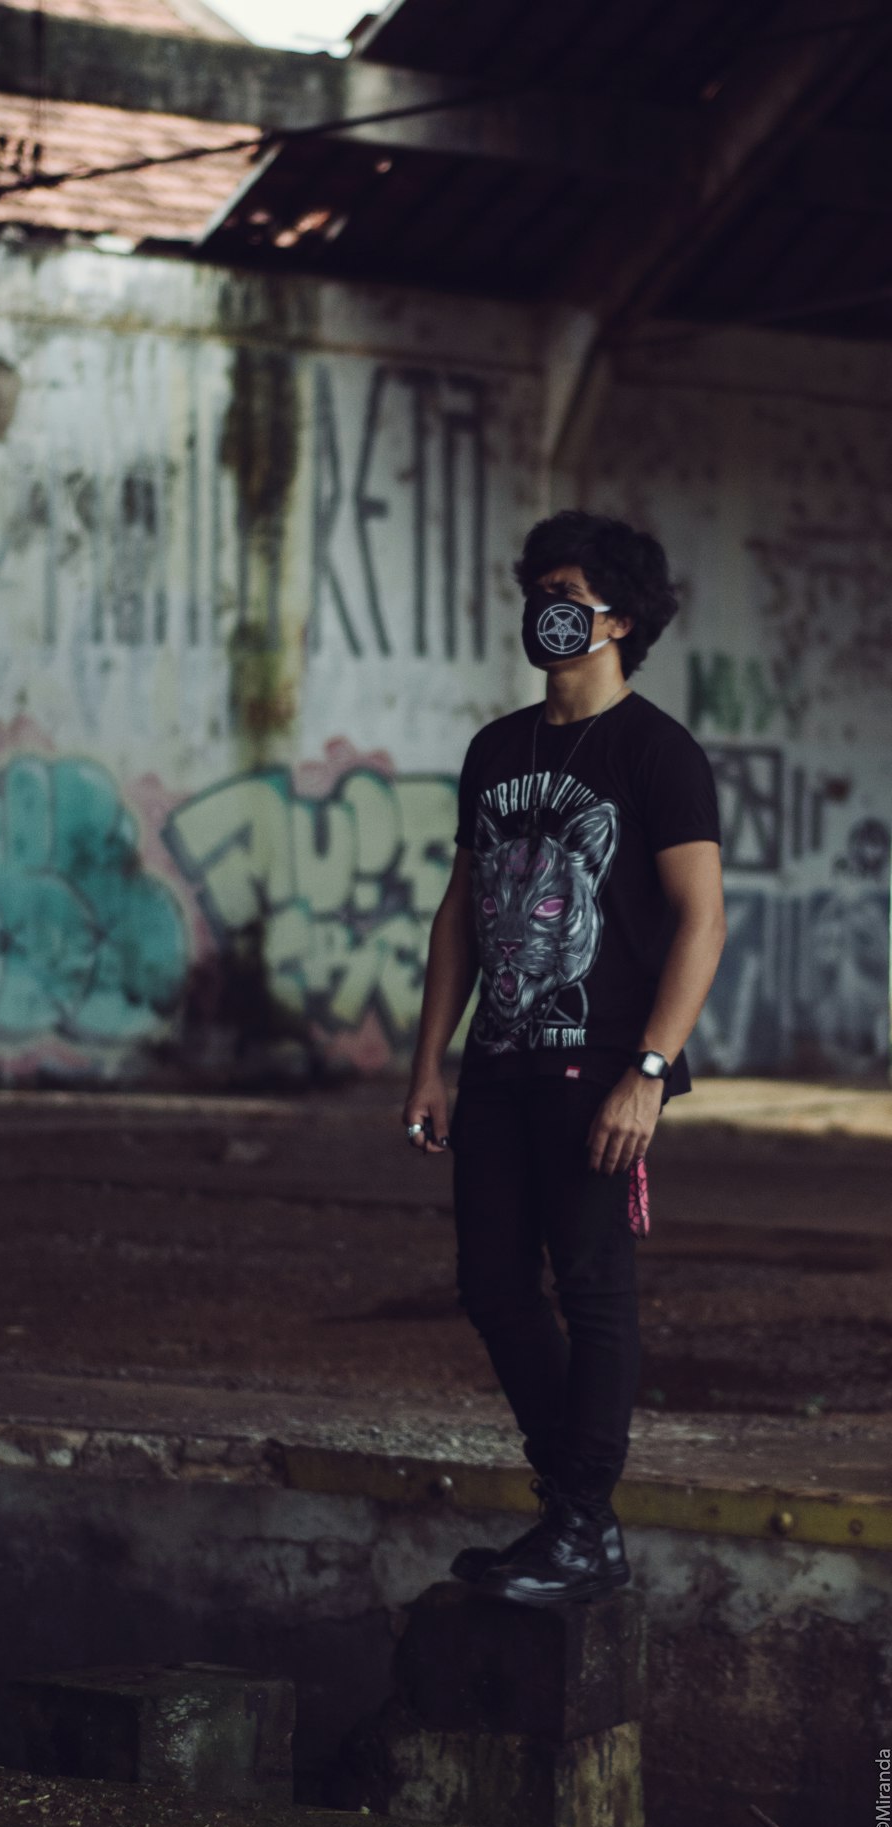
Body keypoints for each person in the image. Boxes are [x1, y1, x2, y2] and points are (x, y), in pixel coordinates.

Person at [401, 508, 726, 1610]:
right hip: (496, 1064)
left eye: (567, 592)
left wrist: (650, 1070)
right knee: (492, 1287)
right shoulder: (496, 749)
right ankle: (577, 1517)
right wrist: (428, 1062)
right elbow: (462, 911)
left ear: (618, 618)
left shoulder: (657, 752)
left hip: (600, 1069)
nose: (544, 608)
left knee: (589, 1289)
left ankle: (580, 1523)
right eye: (535, 588)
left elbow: (700, 921)